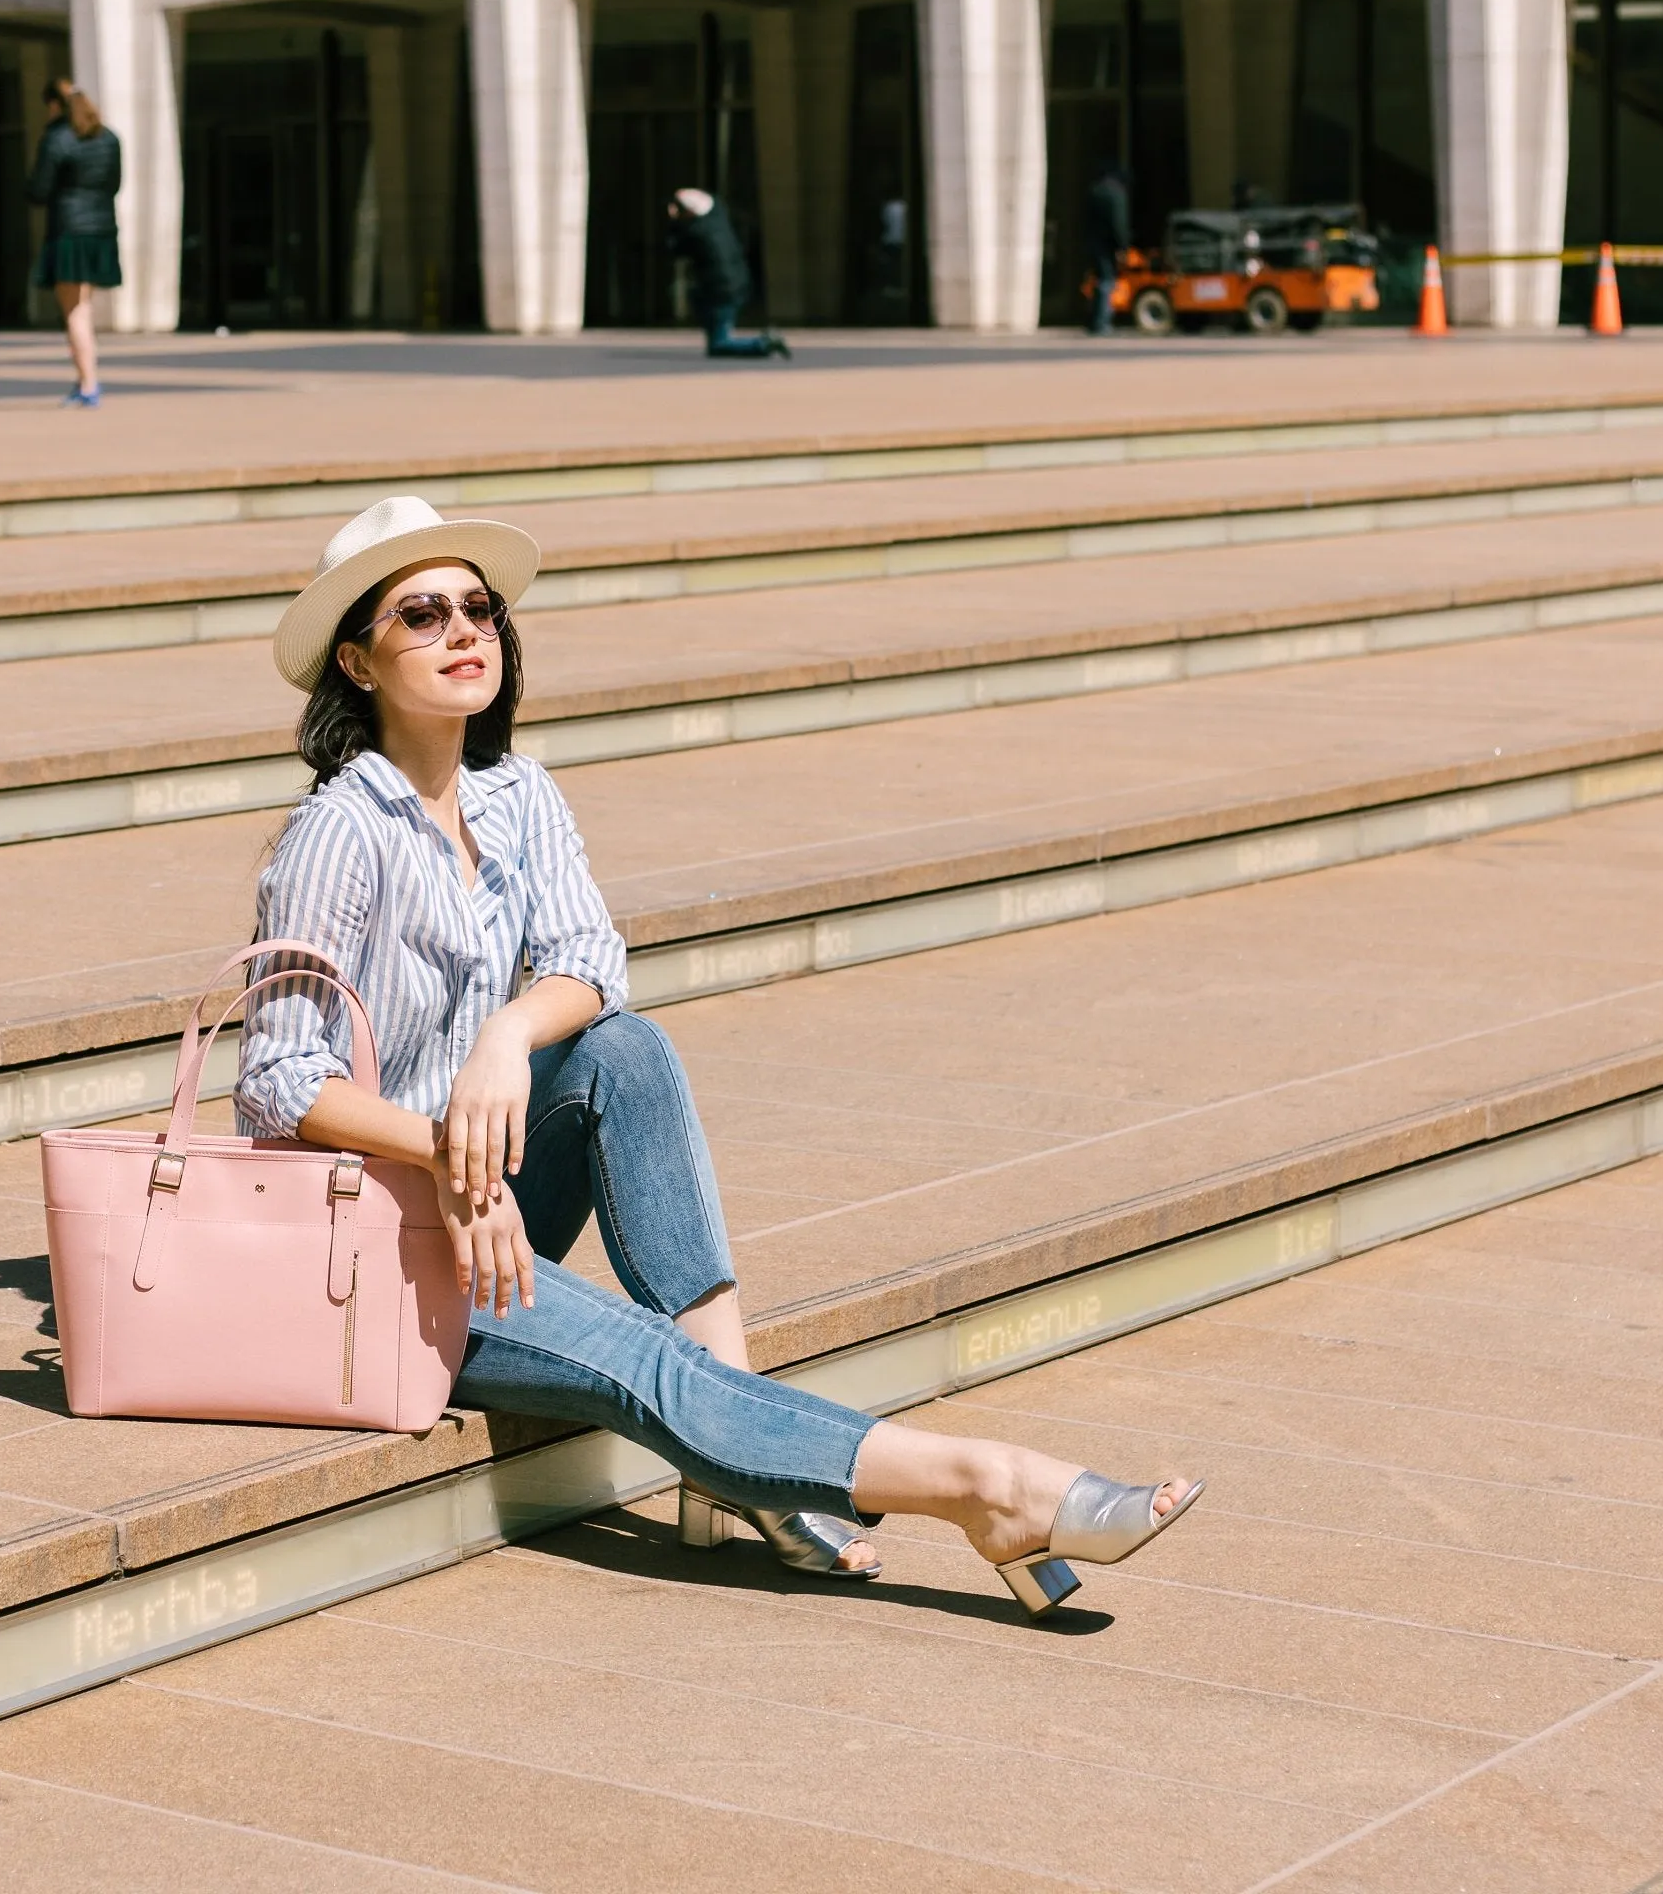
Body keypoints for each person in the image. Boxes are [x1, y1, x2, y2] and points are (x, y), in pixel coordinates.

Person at [240, 494, 1203, 1611]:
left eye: (480, 608)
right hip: (369, 1248)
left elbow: (591, 959)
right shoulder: (337, 833)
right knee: (652, 1365)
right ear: (357, 662)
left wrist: (508, 1035)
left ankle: (737, 1456)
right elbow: (276, 1079)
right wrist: (447, 1158)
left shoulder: (515, 795)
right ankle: (990, 1487)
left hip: (483, 1200)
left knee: (624, 1050)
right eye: (422, 614)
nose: (466, 632)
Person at [26, 78, 120, 407]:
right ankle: (86, 378)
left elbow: (38, 189)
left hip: (68, 230)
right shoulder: (108, 138)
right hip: (101, 230)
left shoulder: (57, 139)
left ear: (55, 105)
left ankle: (88, 383)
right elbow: (114, 184)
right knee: (85, 306)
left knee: (75, 312)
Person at [665, 188, 789, 359]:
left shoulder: (697, 231)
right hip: (736, 282)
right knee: (707, 316)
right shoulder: (716, 215)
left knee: (719, 344)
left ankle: (764, 343)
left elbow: (675, 248)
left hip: (721, 289)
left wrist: (674, 221)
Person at [1082, 164, 1133, 336]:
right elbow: (1118, 223)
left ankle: (1093, 319)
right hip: (1107, 245)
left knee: (1097, 281)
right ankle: (1101, 322)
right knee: (1106, 281)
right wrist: (1123, 246)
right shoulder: (1116, 195)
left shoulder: (1095, 191)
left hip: (1093, 242)